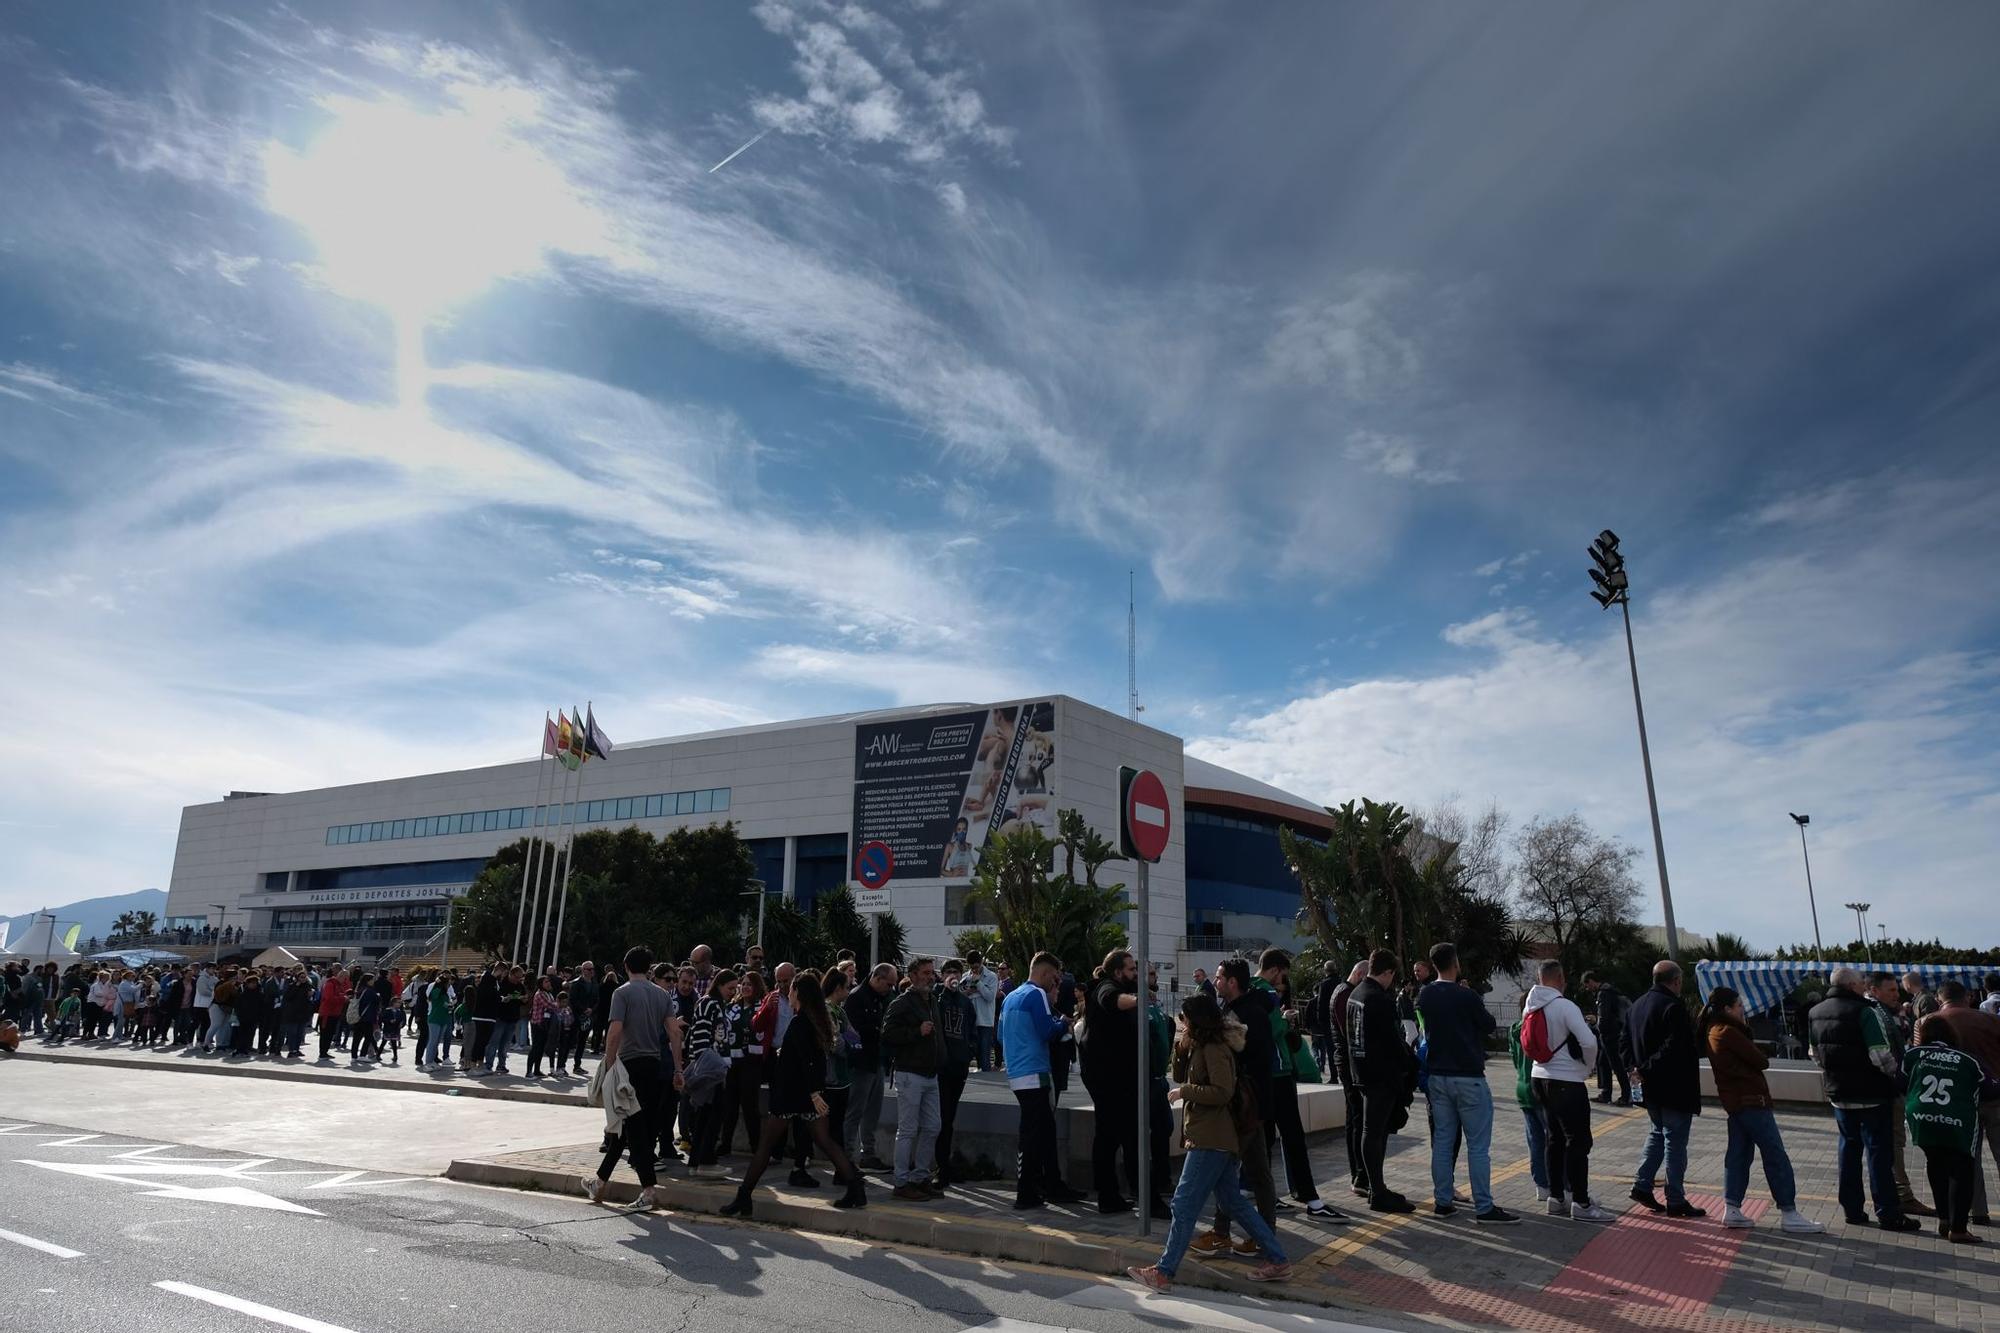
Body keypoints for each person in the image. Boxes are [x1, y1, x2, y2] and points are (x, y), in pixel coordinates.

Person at [1126, 994, 1293, 1292]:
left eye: (1184, 1019)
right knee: (1232, 1202)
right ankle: (1277, 1259)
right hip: (1211, 1135)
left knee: (1183, 1203)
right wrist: (1181, 1047)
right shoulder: (1200, 1046)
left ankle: (1164, 1272)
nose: (1182, 1023)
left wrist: (1185, 1092)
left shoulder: (1215, 1048)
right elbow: (1177, 1073)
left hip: (1212, 1138)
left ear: (1196, 1020)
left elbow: (1222, 1091)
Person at [721, 970, 867, 1216]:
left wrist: (813, 1093)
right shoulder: (812, 1020)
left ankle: (743, 1197)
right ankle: (855, 1188)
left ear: (799, 993)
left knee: (766, 1147)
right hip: (804, 1094)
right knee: (825, 1141)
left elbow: (809, 1061)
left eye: (791, 989)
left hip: (791, 1094)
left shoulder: (801, 1022)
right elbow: (811, 1059)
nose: (788, 992)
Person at [1702, 985, 1825, 1232]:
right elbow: (1761, 1060)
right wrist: (1746, 1031)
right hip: (1751, 1100)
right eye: (1739, 1006)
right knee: (1775, 1155)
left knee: (1738, 1154)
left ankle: (1732, 1207)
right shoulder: (1729, 1032)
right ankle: (1789, 1212)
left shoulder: (1713, 1031)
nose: (1743, 1010)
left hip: (1736, 1103)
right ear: (1727, 1009)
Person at [1809, 966, 1922, 1231]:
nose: (1863, 986)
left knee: (1848, 1149)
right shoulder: (1865, 1011)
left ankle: (1852, 1209)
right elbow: (1880, 1056)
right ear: (1851, 985)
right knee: (1878, 1154)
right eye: (1861, 982)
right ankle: (1888, 1213)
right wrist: (1897, 1078)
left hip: (1839, 1093)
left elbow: (1814, 1054)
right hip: (1871, 1093)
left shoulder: (1816, 1012)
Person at [1192, 957, 1286, 1253]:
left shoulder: (1249, 1014)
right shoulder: (1235, 1009)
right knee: (1251, 1171)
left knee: (1234, 1171)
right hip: (1247, 1105)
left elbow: (1246, 1061)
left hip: (1247, 1106)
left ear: (1233, 982)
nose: (1215, 981)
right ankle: (1253, 1234)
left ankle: (1231, 1234)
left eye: (1220, 977)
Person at [1417, 943, 1514, 1223]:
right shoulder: (1467, 995)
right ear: (1455, 962)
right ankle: (1484, 1206)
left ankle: (1442, 1201)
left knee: (1444, 1141)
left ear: (1433, 964)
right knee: (1478, 1146)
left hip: (1438, 1076)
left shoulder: (1425, 994)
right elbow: (1487, 1024)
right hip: (1468, 1077)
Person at [581, 947, 681, 1210]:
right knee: (627, 1128)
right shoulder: (662, 995)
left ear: (625, 966)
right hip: (654, 1065)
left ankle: (648, 1190)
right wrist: (679, 1069)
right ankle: (599, 1182)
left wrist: (609, 1064)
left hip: (628, 1066)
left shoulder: (622, 992)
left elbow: (614, 1032)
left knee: (634, 1129)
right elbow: (674, 1032)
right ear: (649, 968)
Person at [1256, 949, 1346, 1223]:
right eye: (1282, 976)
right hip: (1278, 1074)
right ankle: (1311, 1199)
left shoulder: (1254, 991)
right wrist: (1285, 1020)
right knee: (1292, 1137)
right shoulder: (1265, 994)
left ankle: (1267, 1194)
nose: (1283, 983)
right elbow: (1269, 1031)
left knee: (1266, 1138)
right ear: (1274, 970)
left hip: (1267, 1074)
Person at [1526, 959, 1614, 1222]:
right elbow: (1588, 1041)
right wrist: (1586, 1069)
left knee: (1553, 1139)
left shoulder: (1530, 1006)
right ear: (1561, 977)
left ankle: (1556, 1198)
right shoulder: (1564, 1006)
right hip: (1566, 1081)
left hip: (1538, 1077)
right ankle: (1582, 1202)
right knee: (1578, 1141)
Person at [1000, 952, 1082, 1209]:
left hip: (1017, 1073)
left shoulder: (1011, 996)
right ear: (1045, 973)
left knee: (1043, 1132)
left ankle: (1051, 1185)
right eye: (1055, 978)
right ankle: (1026, 1193)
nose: (1055, 984)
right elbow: (1047, 1031)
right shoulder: (1036, 995)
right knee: (1034, 1134)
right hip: (1035, 1072)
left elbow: (1001, 1036)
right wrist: (1062, 1024)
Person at [1625, 960, 1704, 1218]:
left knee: (1657, 1133)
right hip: (1673, 1086)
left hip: (1648, 1088)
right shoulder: (1673, 1006)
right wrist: (1647, 1068)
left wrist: (1634, 1069)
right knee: (1674, 1141)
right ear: (1676, 981)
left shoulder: (1636, 1006)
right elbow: (1675, 1047)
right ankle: (1676, 1198)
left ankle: (1642, 1184)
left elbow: (1622, 1042)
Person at [1907, 1012, 1989, 1244]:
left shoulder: (1913, 1055)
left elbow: (1899, 1080)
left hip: (1921, 1117)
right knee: (1961, 1170)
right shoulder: (1967, 1059)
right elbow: (1989, 1086)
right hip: (1957, 1121)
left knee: (1935, 1164)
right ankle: (1959, 1228)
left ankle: (1944, 1218)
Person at [1349, 950, 1415, 1214]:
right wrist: (1410, 1065)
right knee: (1375, 1133)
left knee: (1370, 1131)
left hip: (1361, 1072)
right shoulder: (1379, 999)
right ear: (1387, 973)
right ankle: (1377, 1190)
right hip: (1381, 1075)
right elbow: (1393, 1042)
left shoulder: (1356, 994)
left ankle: (1375, 1185)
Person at [1080, 949, 1144, 1214]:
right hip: (1106, 1076)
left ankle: (1118, 1194)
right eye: (1131, 970)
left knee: (1117, 1134)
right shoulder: (1106, 987)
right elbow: (1113, 1000)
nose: (1135, 974)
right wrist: (1138, 999)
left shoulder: (1112, 986)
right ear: (1118, 972)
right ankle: (1107, 1196)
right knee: (1108, 1136)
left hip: (1116, 1075)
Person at [1868, 972, 1936, 1218]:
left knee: (1886, 1144)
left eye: (1898, 990)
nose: (1897, 995)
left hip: (1883, 1088)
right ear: (1874, 990)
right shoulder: (1878, 1015)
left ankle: (1897, 1194)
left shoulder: (1886, 1013)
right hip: (1888, 1088)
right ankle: (1902, 1195)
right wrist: (1899, 1079)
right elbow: (1885, 1054)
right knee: (1894, 1143)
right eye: (1892, 990)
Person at [882, 956, 946, 1201]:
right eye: (926, 973)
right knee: (908, 1129)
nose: (931, 976)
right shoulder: (903, 1003)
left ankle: (920, 1177)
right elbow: (887, 1034)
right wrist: (916, 1032)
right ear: (913, 975)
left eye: (932, 972)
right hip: (910, 1073)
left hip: (930, 1073)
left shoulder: (931, 1000)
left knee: (932, 1126)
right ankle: (901, 1181)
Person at [1936, 980, 2000, 1226]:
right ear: (1968, 997)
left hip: (1958, 1100)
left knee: (1967, 1159)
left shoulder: (1931, 1022)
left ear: (1940, 998)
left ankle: (1978, 1211)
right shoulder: (1991, 1020)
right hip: (1994, 1095)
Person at [844, 963, 894, 1170]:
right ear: (877, 978)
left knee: (873, 1111)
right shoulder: (857, 997)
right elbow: (848, 1030)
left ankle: (868, 1153)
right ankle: (846, 1157)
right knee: (855, 1111)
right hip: (861, 1062)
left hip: (876, 1061)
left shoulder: (880, 999)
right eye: (888, 984)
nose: (890, 988)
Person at [934, 959, 977, 1188]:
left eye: (956, 972)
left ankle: (945, 1164)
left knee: (949, 1118)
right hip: (941, 1067)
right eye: (948, 972)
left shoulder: (966, 1002)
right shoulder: (936, 998)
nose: (952, 976)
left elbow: (972, 1030)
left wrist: (969, 1051)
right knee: (940, 1117)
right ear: (942, 976)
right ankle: (940, 1166)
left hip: (959, 1066)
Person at [1329, 960, 1368, 1197]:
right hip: (1348, 1063)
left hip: (1343, 1061)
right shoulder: (1345, 994)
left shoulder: (1340, 991)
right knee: (1356, 1120)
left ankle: (1359, 1173)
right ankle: (1359, 1174)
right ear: (1360, 974)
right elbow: (1350, 1032)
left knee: (1353, 1119)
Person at [1508, 991, 1550, 1203]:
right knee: (1553, 1139)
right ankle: (1559, 1184)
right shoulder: (1537, 1027)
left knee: (1535, 1141)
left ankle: (1540, 1186)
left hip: (1522, 1087)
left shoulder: (1513, 1030)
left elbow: (1515, 1060)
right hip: (1540, 1087)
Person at [1582, 972, 1632, 1105]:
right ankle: (1606, 1093)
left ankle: (1626, 1096)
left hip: (1610, 1036)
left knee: (1617, 1066)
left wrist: (1595, 1021)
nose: (1587, 989)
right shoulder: (1610, 991)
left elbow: (1604, 1017)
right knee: (1602, 1062)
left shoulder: (1603, 993)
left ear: (1591, 981)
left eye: (1587, 985)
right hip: (1613, 1033)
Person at [957, 951, 1000, 1072]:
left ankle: (986, 1075)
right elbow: (960, 994)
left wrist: (978, 983)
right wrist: (969, 992)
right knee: (970, 1051)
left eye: (976, 967)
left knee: (984, 1053)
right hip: (970, 1021)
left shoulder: (991, 976)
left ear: (981, 963)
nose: (974, 970)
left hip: (985, 1021)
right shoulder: (966, 977)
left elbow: (990, 996)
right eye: (971, 967)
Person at [566, 961, 599, 1076]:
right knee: (570, 1041)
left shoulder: (594, 983)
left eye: (592, 969)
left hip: (588, 1017)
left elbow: (597, 1000)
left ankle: (577, 1065)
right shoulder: (576, 983)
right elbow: (573, 1000)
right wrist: (584, 1009)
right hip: (577, 1016)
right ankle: (561, 1065)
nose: (591, 971)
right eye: (589, 969)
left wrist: (591, 1009)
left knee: (582, 1042)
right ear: (583, 970)